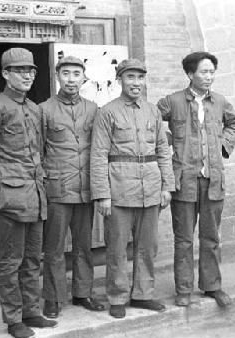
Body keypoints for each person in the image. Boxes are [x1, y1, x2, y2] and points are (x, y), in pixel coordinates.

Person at [0, 47, 56, 338]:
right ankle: (13, 319)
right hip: (8, 198)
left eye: (31, 71)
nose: (27, 75)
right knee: (11, 261)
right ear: (5, 74)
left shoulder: (34, 109)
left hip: (35, 197)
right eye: (20, 70)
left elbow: (39, 152)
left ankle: (31, 311)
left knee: (34, 259)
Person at [90, 58, 175, 319]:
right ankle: (117, 296)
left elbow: (163, 150)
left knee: (147, 247)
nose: (136, 83)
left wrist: (166, 186)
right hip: (119, 190)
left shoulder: (153, 111)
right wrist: (102, 194)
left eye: (140, 77)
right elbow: (98, 154)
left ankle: (143, 294)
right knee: (116, 248)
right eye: (130, 77)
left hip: (150, 187)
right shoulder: (107, 112)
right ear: (120, 80)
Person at [157, 51, 235, 308]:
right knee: (183, 239)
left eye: (212, 72)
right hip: (184, 181)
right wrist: (168, 142)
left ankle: (212, 286)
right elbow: (151, 122)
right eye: (204, 72)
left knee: (211, 237)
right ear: (190, 74)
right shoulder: (172, 102)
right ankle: (183, 289)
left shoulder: (219, 102)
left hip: (212, 180)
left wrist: (222, 146)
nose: (209, 77)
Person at [40, 56, 104, 318]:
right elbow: (37, 149)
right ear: (58, 76)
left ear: (83, 78)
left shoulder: (93, 109)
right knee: (54, 247)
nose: (71, 79)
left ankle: (83, 292)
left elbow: (99, 148)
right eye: (66, 73)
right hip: (57, 188)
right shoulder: (43, 109)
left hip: (85, 188)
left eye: (76, 74)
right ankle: (53, 298)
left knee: (83, 245)